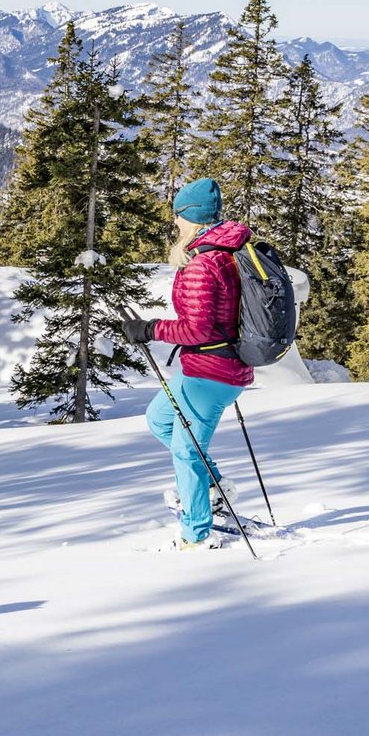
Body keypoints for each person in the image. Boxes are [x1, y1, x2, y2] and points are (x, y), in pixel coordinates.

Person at [119, 177, 254, 550]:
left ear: (191, 217)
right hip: (211, 366)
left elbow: (197, 329)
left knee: (186, 448)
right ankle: (212, 487)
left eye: (177, 215)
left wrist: (149, 329)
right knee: (160, 419)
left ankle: (196, 534)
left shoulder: (204, 263)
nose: (175, 223)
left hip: (212, 371)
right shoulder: (226, 252)